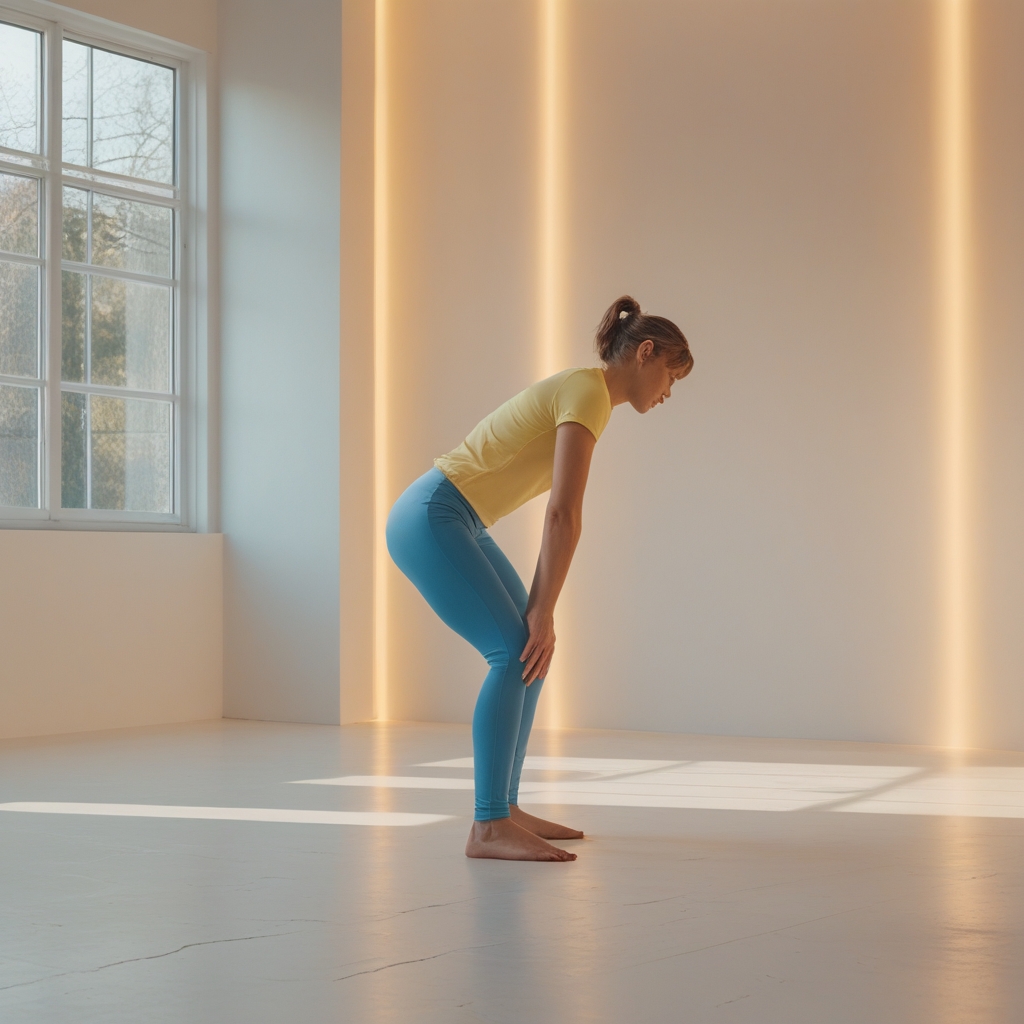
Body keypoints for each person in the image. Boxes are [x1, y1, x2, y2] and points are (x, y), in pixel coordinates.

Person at [386, 296, 693, 861]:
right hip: (434, 513)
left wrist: (543, 614)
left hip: (460, 519)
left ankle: (505, 806)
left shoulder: (589, 394)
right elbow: (562, 513)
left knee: (529, 651)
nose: (669, 392)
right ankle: (487, 826)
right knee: (513, 651)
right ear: (645, 353)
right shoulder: (589, 394)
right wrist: (544, 607)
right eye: (671, 375)